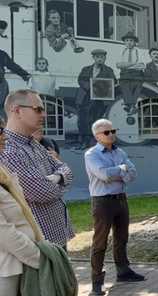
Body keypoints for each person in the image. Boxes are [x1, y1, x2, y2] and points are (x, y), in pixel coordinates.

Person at [0, 89, 74, 248]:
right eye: (38, 109)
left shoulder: (33, 143)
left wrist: (57, 177)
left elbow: (66, 170)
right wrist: (61, 179)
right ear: (17, 110)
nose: (44, 115)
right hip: (39, 243)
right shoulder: (8, 149)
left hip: (56, 237)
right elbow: (41, 192)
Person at [84, 119, 145, 295]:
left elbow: (132, 174)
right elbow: (103, 174)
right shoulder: (91, 154)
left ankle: (123, 271)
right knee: (100, 242)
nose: (111, 134)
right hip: (102, 201)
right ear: (97, 136)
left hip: (120, 199)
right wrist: (121, 169)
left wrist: (117, 172)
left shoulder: (120, 152)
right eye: (107, 132)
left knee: (122, 237)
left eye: (113, 130)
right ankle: (96, 282)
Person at [0, 116, 43, 296]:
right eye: (0, 132)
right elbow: (4, 232)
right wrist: (40, 257)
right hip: (7, 269)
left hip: (20, 264)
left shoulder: (2, 168)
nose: (5, 137)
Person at [76, 49, 117, 149]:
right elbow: (80, 80)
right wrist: (91, 87)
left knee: (96, 120)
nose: (99, 59)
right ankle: (83, 141)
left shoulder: (108, 70)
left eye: (102, 57)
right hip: (85, 98)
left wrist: (101, 87)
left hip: (99, 100)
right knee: (83, 119)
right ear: (93, 58)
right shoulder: (86, 69)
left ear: (105, 59)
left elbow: (114, 82)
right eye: (97, 57)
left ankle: (92, 141)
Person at [0, 21, 30, 117]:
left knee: (3, 106)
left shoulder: (2, 54)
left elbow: (12, 65)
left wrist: (25, 75)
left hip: (0, 83)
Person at [116, 32, 145, 114]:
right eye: (127, 40)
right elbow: (118, 65)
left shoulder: (138, 51)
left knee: (137, 86)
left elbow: (142, 66)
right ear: (124, 42)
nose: (129, 42)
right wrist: (133, 64)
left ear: (135, 42)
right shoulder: (122, 51)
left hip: (136, 74)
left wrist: (126, 65)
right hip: (125, 74)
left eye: (131, 40)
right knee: (124, 86)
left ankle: (129, 105)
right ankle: (131, 106)